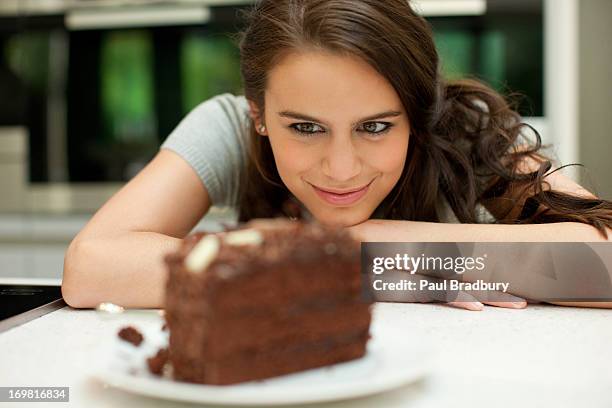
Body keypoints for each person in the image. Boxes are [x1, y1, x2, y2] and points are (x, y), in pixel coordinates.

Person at [61, 0, 612, 310]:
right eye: (305, 127)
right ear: (258, 114)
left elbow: (606, 263)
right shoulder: (228, 127)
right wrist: (333, 258)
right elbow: (91, 268)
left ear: (419, 112)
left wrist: (408, 251)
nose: (342, 168)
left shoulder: (467, 128)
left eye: (375, 126)